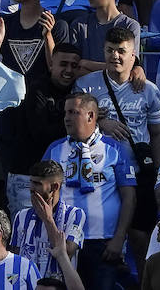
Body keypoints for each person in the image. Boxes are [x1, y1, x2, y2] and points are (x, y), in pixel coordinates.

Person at [42, 92, 135, 289]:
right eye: (65, 112)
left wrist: (119, 238)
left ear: (91, 116)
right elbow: (42, 193)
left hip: (103, 242)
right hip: (64, 241)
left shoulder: (114, 149)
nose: (66, 117)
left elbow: (129, 197)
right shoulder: (54, 149)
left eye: (73, 112)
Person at [0, 47, 81, 218]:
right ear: (51, 64)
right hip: (26, 177)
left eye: (74, 66)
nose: (68, 70)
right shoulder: (36, 89)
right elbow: (41, 133)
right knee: (25, 235)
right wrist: (77, 124)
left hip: (59, 180)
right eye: (63, 64)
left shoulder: (78, 91)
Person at [7, 160, 82, 284]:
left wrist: (48, 220)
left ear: (55, 187)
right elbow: (14, 257)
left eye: (37, 184)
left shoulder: (74, 215)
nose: (31, 188)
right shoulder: (21, 216)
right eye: (31, 182)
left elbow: (67, 253)